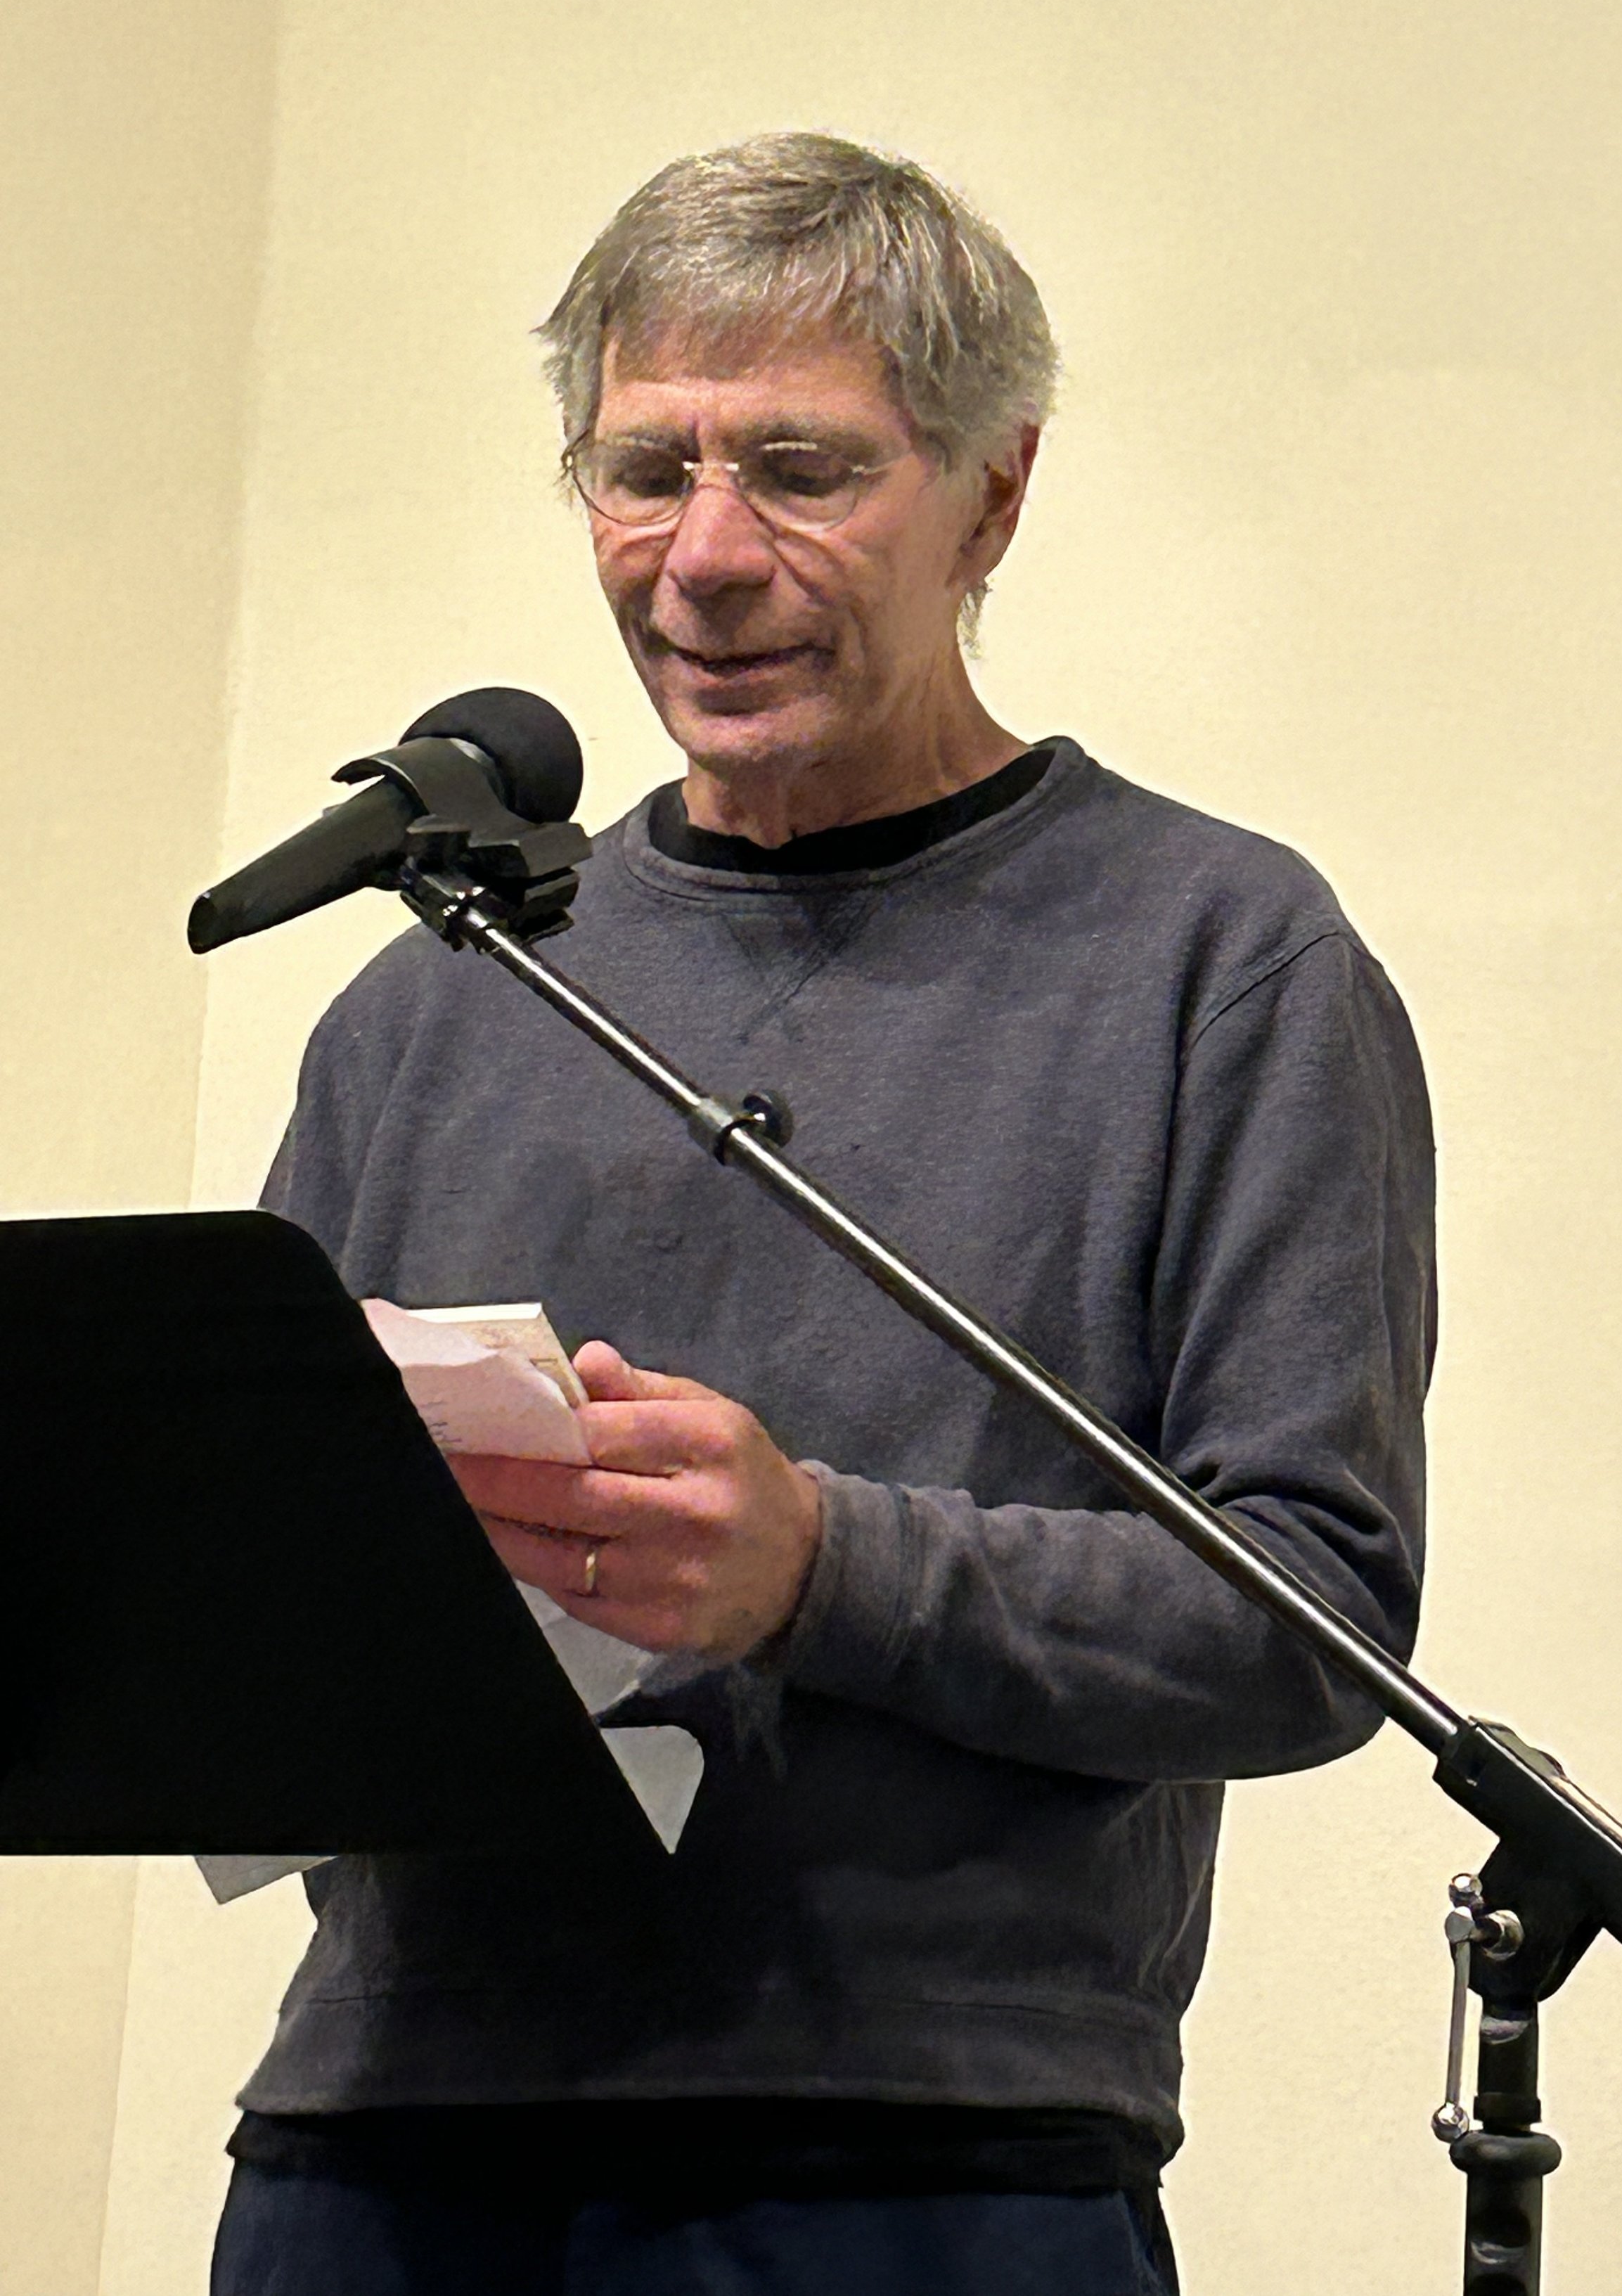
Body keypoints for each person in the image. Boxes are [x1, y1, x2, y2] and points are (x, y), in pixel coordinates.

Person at [210, 133, 1436, 2296]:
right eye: (638, 468)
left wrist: (820, 1569)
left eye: (799, 468)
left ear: (994, 493)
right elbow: (263, 1598)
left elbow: (1305, 1619)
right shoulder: (431, 997)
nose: (700, 558)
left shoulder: (1220, 959)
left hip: (923, 2154)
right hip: (381, 2142)